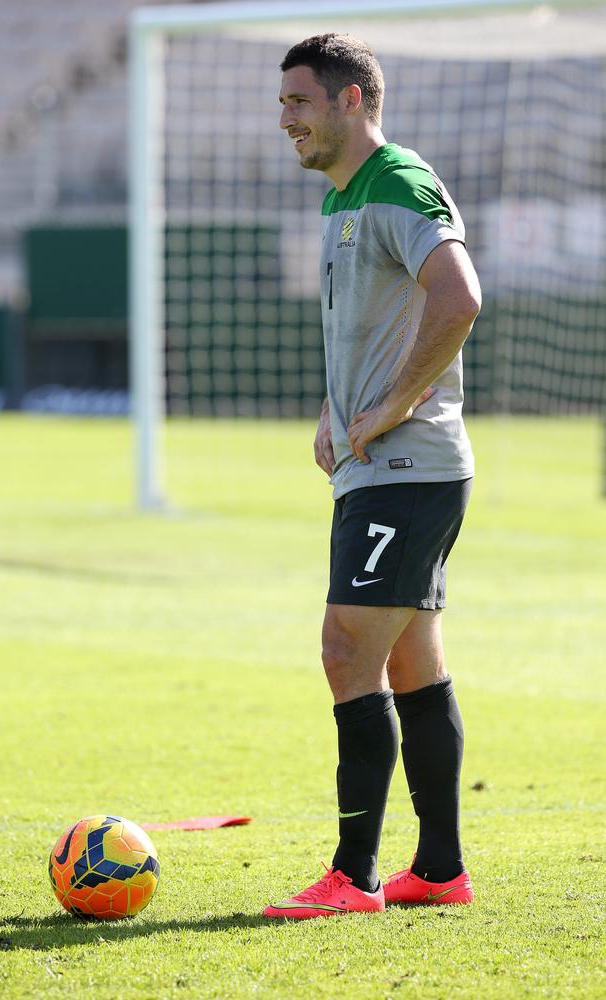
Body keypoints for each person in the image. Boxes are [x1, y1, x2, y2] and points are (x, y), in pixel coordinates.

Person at [264, 34, 482, 920]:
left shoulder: (397, 181)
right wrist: (335, 406)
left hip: (406, 468)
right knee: (408, 660)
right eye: (282, 104)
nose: (285, 120)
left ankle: (351, 877)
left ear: (352, 101)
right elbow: (371, 321)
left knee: (344, 650)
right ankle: (437, 870)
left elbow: (459, 297)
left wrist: (391, 405)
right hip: (377, 469)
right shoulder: (341, 201)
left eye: (299, 102)